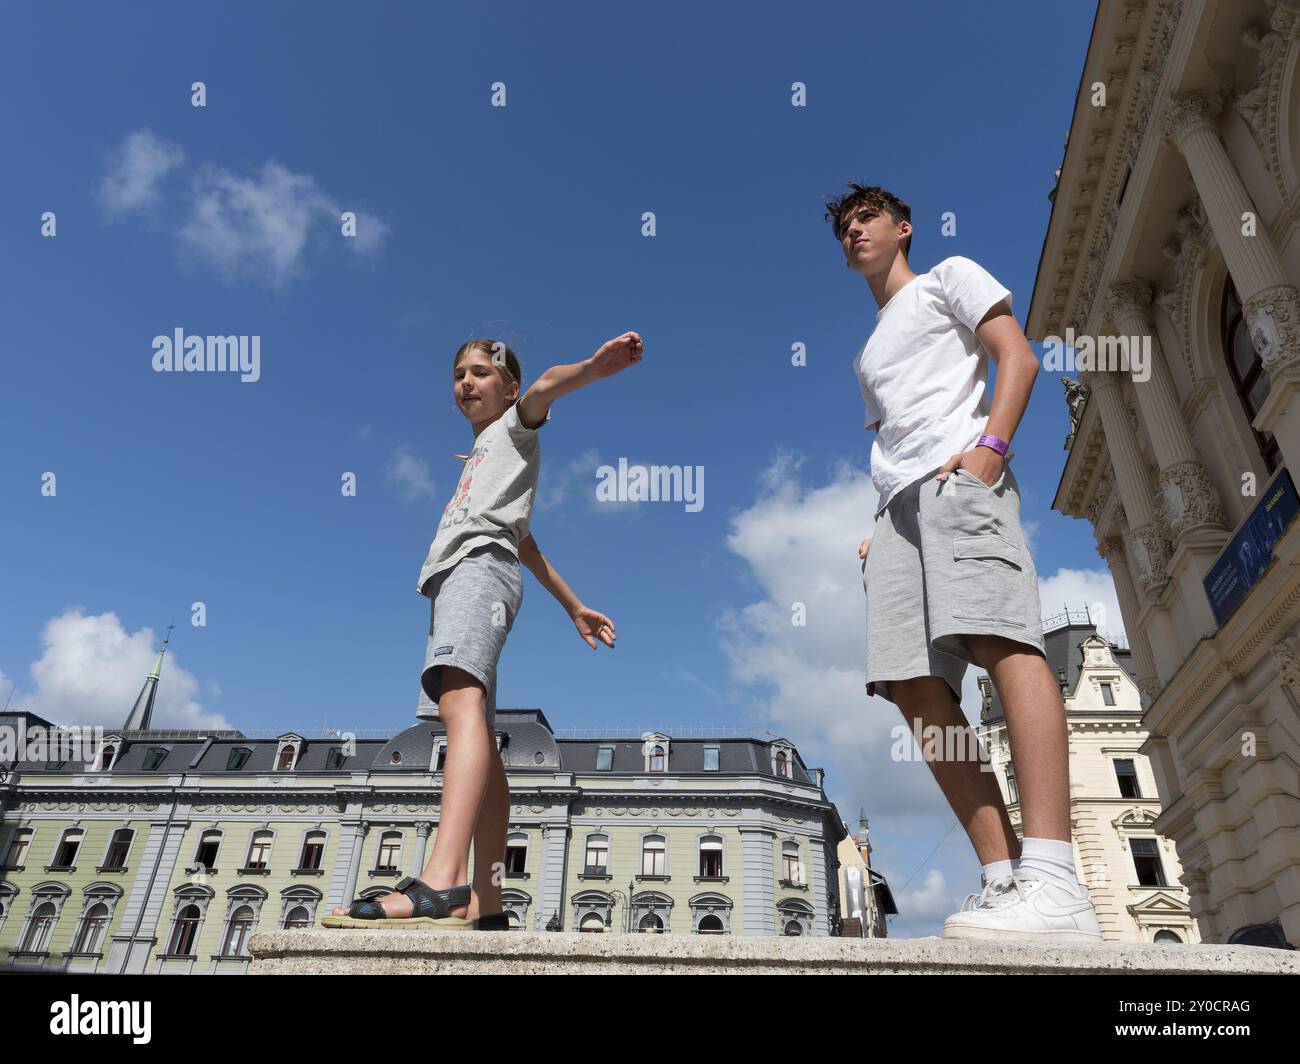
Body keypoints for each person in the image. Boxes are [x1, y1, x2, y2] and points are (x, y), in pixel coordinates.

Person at [828, 183, 1102, 942]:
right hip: (894, 514)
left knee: (1002, 640)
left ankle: (1054, 876)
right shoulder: (867, 351)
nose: (854, 231)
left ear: (902, 227)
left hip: (962, 480)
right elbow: (897, 436)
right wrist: (876, 524)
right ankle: (1005, 875)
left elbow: (1017, 354)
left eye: (866, 217)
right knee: (913, 689)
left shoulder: (948, 275)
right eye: (844, 226)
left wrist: (990, 450)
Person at [324, 331, 643, 930]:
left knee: (459, 705)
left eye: (480, 372)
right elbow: (522, 539)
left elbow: (547, 385)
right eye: (458, 374)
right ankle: (487, 903)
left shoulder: (513, 429)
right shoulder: (487, 461)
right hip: (479, 570)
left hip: (475, 572)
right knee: (481, 733)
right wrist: (574, 605)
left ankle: (441, 880)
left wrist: (595, 369)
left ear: (509, 388)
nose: (466, 382)